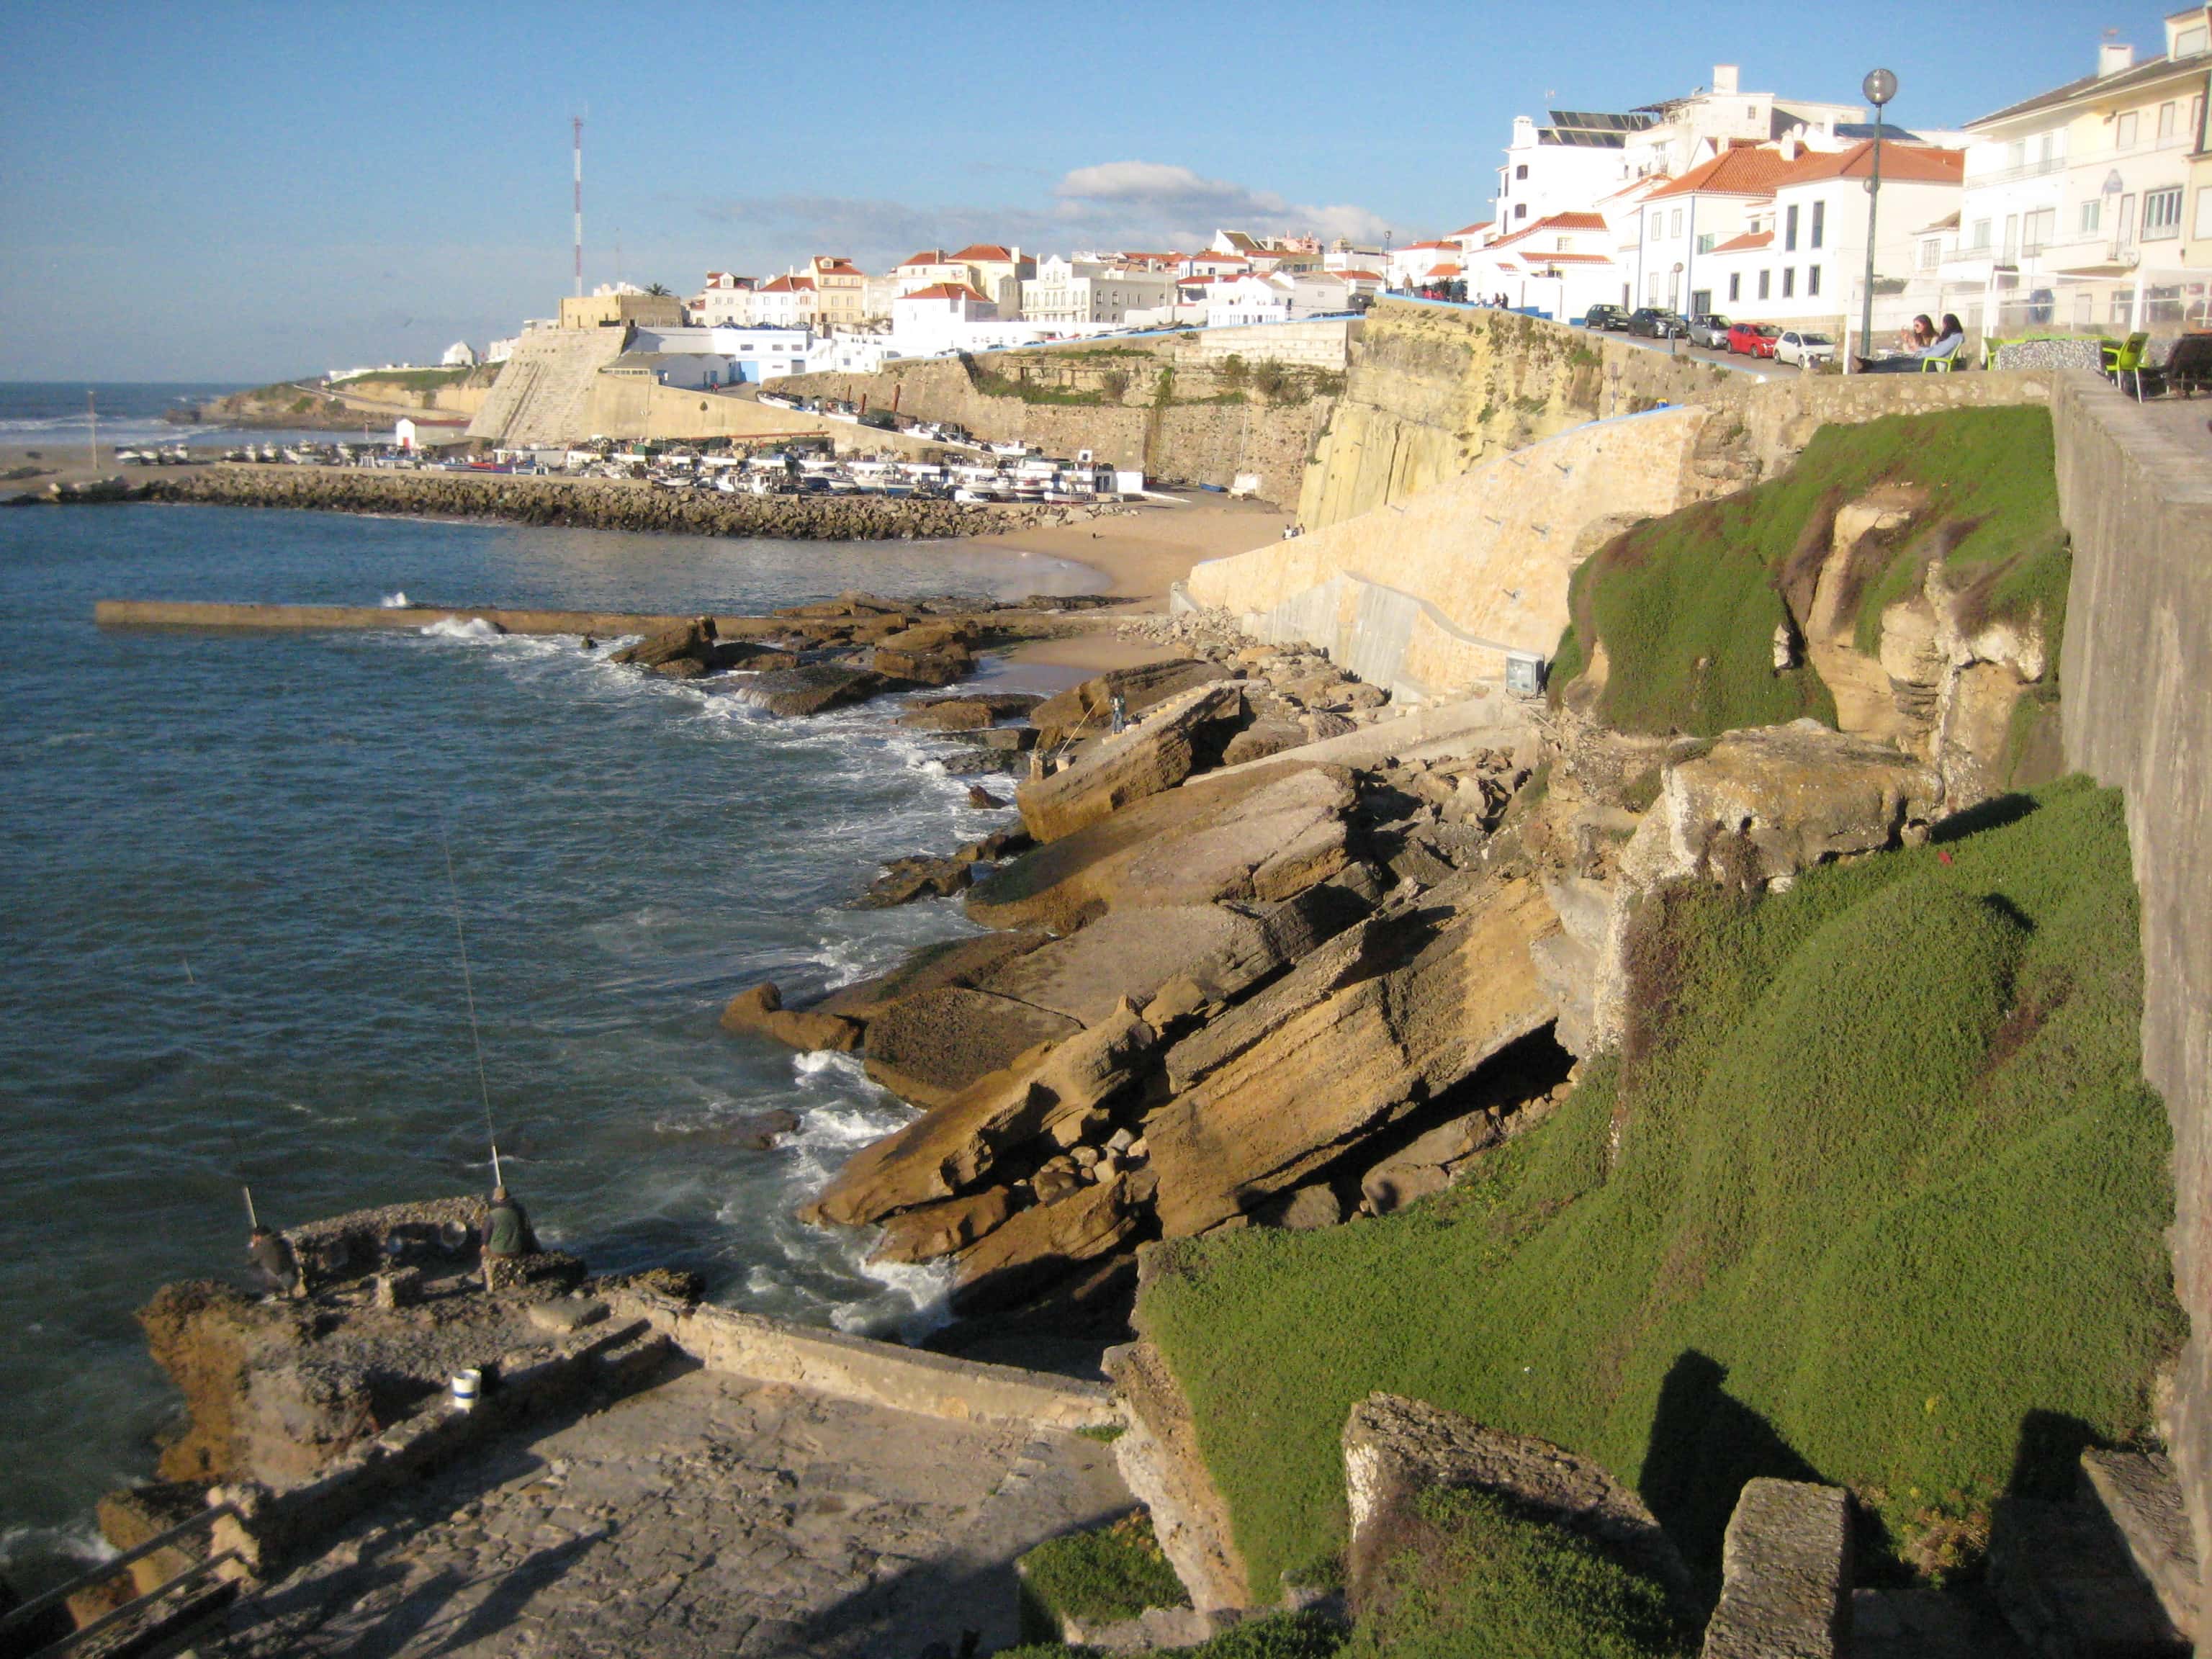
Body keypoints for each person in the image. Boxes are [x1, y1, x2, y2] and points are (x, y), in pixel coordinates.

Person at [1857, 313, 1966, 374]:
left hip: (1932, 364)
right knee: (1898, 360)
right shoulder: (1949, 338)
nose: (1943, 327)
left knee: (1900, 366)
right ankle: (1869, 364)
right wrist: (1918, 349)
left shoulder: (1955, 338)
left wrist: (1920, 354)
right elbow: (1933, 350)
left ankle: (1869, 369)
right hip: (1927, 361)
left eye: (1945, 325)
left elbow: (1936, 354)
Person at [248, 1225, 302, 1298]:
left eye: (254, 1237)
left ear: (259, 1237)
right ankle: (287, 1291)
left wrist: (253, 1246)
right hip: (293, 1277)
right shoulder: (284, 1241)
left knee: (253, 1268)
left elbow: (252, 1258)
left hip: (281, 1281)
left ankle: (272, 1293)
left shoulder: (263, 1245)